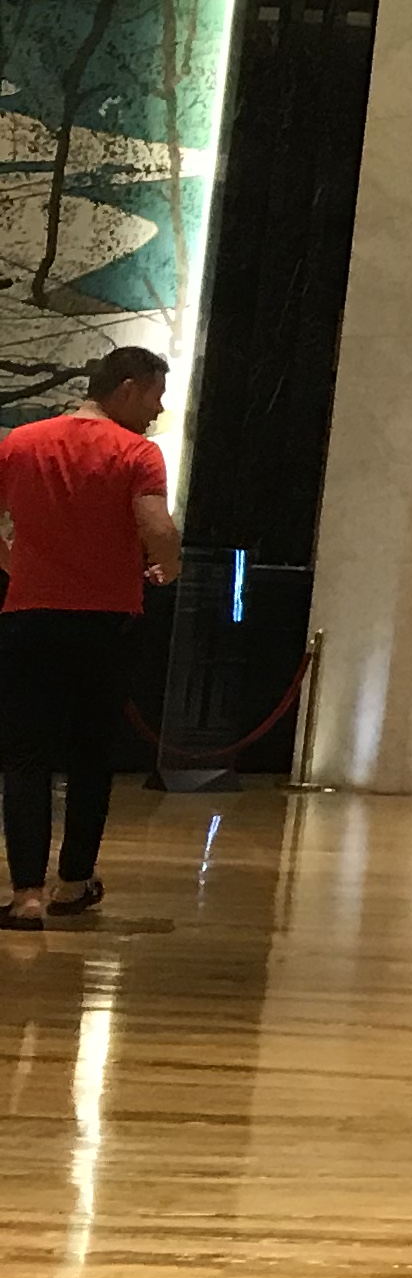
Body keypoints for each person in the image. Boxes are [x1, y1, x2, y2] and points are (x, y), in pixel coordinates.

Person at [0, 346, 178, 932]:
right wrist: (168, 566)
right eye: (154, 395)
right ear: (126, 388)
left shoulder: (20, 443)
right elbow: (158, 527)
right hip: (106, 622)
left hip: (27, 616)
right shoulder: (138, 453)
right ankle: (73, 882)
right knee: (90, 755)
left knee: (24, 757)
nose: (157, 410)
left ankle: (26, 895)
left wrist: (12, 564)